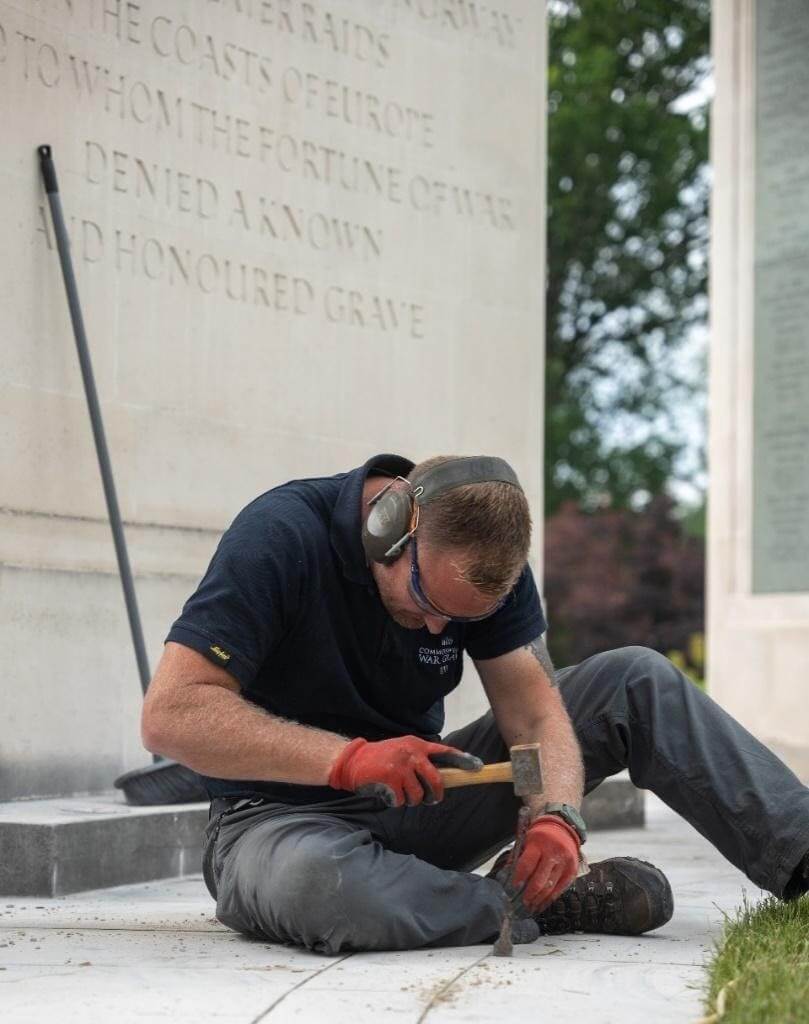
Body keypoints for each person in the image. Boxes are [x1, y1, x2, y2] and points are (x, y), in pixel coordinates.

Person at [141, 453, 809, 954]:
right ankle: (532, 907)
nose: (440, 630)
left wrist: (554, 812)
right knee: (320, 888)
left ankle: (801, 857)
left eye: (459, 619)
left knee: (634, 681)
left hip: (420, 797)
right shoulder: (279, 538)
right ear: (388, 530)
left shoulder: (485, 571)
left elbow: (534, 716)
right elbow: (170, 715)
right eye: (429, 604)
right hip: (275, 823)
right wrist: (348, 761)